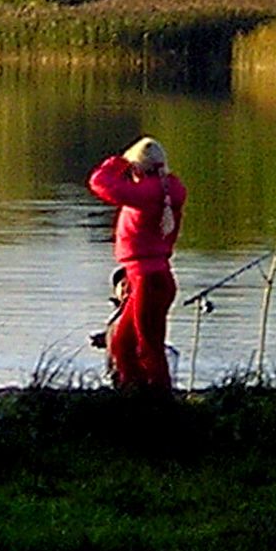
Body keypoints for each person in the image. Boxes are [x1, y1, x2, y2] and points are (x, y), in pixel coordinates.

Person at [88, 136, 186, 391]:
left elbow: (100, 183)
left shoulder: (147, 193)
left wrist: (118, 162)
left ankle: (157, 400)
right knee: (124, 344)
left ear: (137, 168)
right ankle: (136, 393)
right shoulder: (166, 191)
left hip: (147, 281)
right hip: (156, 279)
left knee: (148, 346)